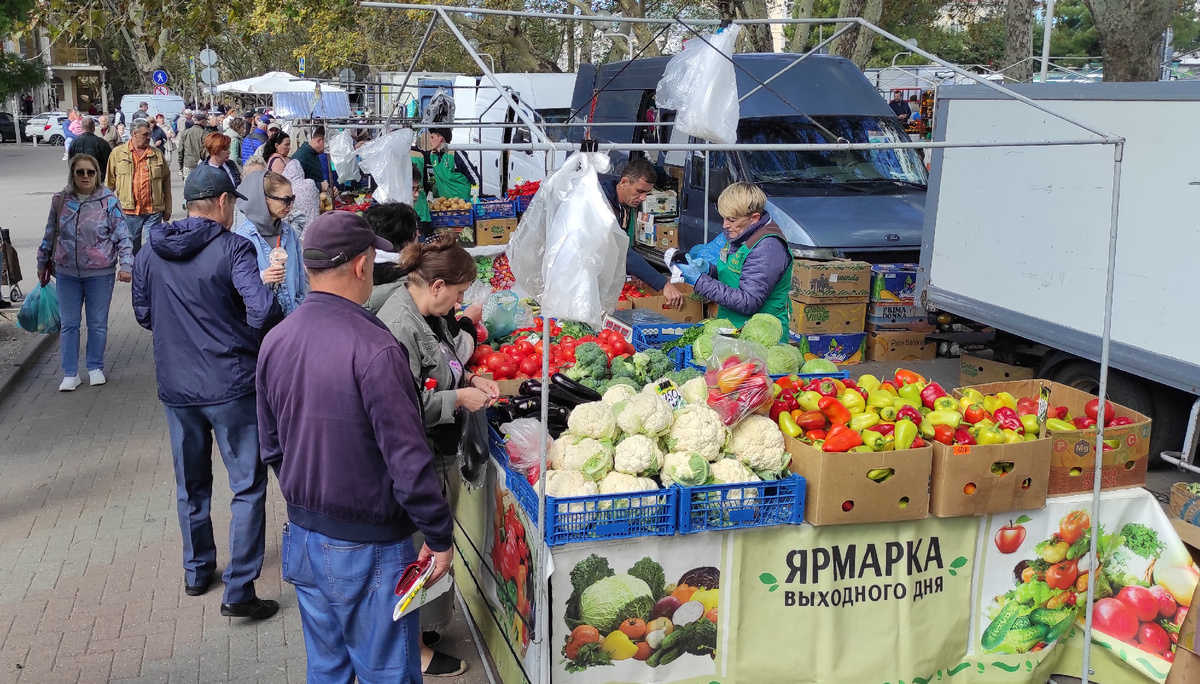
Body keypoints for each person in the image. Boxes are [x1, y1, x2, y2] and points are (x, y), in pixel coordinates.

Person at [256, 211, 455, 683]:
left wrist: (308, 497)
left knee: (328, 670)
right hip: (371, 546)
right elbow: (407, 460)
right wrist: (438, 534)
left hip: (305, 535)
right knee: (386, 672)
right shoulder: (375, 348)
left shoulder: (276, 340)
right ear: (363, 266)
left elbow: (271, 445)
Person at [132, 165, 284, 620]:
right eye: (233, 203)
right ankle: (238, 589)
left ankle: (198, 571)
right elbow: (262, 312)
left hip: (177, 388)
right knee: (247, 486)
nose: (234, 210)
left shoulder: (150, 251)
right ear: (221, 202)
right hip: (231, 386)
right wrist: (241, 335)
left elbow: (143, 314)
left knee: (191, 485)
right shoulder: (232, 248)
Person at [377, 235, 492, 678]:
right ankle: (412, 652)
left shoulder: (429, 315)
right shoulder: (400, 326)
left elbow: (444, 367)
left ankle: (421, 634)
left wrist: (472, 380)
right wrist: (457, 399)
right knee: (419, 551)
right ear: (438, 284)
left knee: (428, 548)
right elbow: (401, 409)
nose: (460, 303)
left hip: (437, 448)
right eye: (460, 294)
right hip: (418, 453)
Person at [37, 154, 133, 391]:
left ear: (97, 174)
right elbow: (50, 232)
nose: (86, 176)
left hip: (100, 273)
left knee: (97, 323)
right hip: (67, 272)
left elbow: (123, 234)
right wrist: (42, 262)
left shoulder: (108, 200)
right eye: (80, 172)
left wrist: (127, 264)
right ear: (73, 174)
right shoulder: (60, 200)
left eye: (90, 172)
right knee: (69, 323)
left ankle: (94, 367)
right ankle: (70, 373)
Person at [677, 182, 792, 340]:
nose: (725, 225)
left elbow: (749, 301)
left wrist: (700, 281)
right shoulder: (742, 235)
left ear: (754, 218)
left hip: (761, 338)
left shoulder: (768, 247)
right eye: (724, 218)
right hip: (736, 331)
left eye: (731, 219)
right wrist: (708, 270)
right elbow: (736, 275)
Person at [600, 157, 685, 309]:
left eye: (647, 193)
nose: (643, 198)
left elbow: (624, 245)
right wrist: (662, 283)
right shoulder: (602, 206)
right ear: (624, 182)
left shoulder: (623, 204)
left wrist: (637, 270)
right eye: (640, 191)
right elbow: (620, 250)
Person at [234, 171, 307, 315]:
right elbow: (235, 286)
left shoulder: (288, 232)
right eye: (285, 200)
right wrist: (262, 277)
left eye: (292, 199)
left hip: (292, 318)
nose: (290, 206)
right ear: (264, 199)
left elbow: (300, 277)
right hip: (262, 321)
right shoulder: (242, 238)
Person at [107, 119, 172, 254]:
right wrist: (107, 211)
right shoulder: (118, 154)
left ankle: (148, 273)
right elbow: (109, 185)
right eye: (145, 135)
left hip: (153, 211)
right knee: (131, 249)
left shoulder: (157, 154)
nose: (149, 137)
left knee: (152, 249)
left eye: (150, 134)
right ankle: (134, 273)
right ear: (134, 134)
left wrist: (168, 208)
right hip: (129, 212)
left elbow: (166, 183)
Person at [262, 131, 320, 235]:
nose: (289, 147)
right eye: (286, 144)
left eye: (289, 144)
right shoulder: (277, 161)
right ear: (276, 145)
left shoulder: (285, 158)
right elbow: (280, 183)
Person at [424, 128, 480, 201]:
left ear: (440, 139)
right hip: (447, 204)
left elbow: (474, 177)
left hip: (463, 202)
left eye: (432, 137)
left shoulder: (455, 153)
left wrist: (474, 199)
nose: (430, 141)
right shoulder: (433, 155)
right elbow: (419, 153)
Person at [68, 116, 112, 182]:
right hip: (97, 179)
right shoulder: (101, 143)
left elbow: (71, 162)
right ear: (94, 128)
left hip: (79, 179)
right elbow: (109, 162)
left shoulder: (74, 142)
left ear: (82, 128)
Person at [289, 126, 328, 190]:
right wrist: (320, 186)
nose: (327, 148)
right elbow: (294, 184)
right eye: (326, 144)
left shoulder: (315, 154)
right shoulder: (301, 157)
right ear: (319, 141)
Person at [178, 114, 207, 181]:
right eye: (206, 121)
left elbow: (180, 151)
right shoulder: (204, 134)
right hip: (201, 164)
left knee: (188, 186)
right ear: (202, 121)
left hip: (188, 163)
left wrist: (181, 165)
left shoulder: (185, 133)